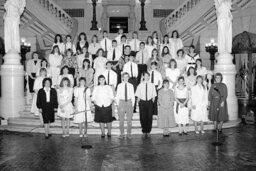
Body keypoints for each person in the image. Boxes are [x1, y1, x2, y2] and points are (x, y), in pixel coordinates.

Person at [135, 72, 157, 138]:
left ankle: (148, 131)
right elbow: (138, 94)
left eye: (148, 76)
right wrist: (138, 102)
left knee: (149, 117)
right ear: (143, 77)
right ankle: (144, 131)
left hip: (149, 102)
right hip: (142, 102)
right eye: (145, 76)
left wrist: (152, 102)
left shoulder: (152, 85)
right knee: (142, 117)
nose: (146, 77)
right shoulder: (140, 85)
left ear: (149, 77)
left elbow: (154, 94)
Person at [116, 72, 135, 139]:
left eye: (127, 77)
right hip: (121, 102)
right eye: (124, 77)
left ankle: (129, 133)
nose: (126, 78)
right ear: (122, 78)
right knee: (121, 120)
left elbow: (133, 95)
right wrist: (118, 104)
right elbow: (117, 95)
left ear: (128, 78)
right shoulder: (119, 85)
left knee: (129, 120)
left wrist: (133, 104)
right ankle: (122, 133)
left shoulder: (131, 85)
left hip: (129, 102)